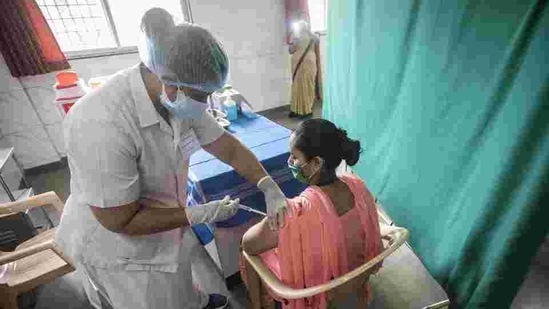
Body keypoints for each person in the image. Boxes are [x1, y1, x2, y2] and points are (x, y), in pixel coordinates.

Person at [54, 8, 288, 309]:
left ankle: (196, 301)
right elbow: (119, 219)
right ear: (170, 83)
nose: (205, 104)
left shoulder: (179, 100)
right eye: (201, 96)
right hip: (121, 253)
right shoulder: (100, 122)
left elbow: (227, 147)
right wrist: (197, 214)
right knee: (154, 300)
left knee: (180, 285)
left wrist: (268, 184)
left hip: (162, 224)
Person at [239, 119, 382, 308]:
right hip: (352, 277)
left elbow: (248, 244)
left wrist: (267, 219)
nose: (289, 162)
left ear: (316, 163)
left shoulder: (295, 212)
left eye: (294, 157)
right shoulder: (357, 186)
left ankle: (257, 305)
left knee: (245, 250)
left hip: (316, 290)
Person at [288, 21, 323, 119]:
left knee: (304, 85)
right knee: (301, 85)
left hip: (305, 63)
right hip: (302, 63)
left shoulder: (302, 37)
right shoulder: (310, 36)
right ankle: (296, 109)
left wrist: (293, 41)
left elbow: (290, 50)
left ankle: (306, 110)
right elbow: (291, 50)